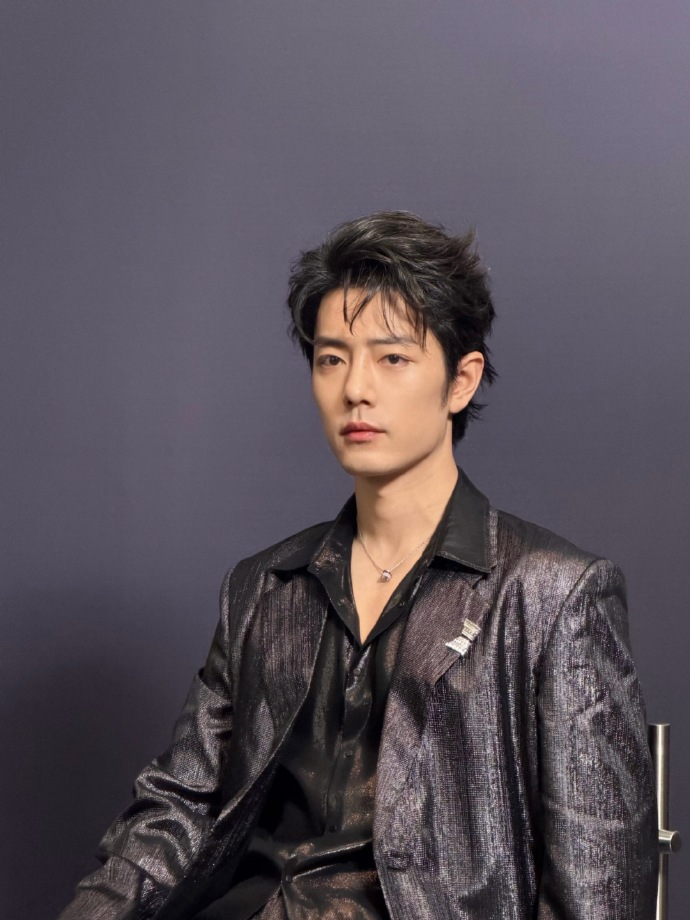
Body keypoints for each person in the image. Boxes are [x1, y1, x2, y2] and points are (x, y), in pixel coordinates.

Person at [59, 211, 658, 920]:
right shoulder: (263, 587)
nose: (355, 389)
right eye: (331, 358)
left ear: (461, 381)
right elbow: (178, 809)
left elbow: (598, 891)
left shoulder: (553, 593)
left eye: (392, 358)